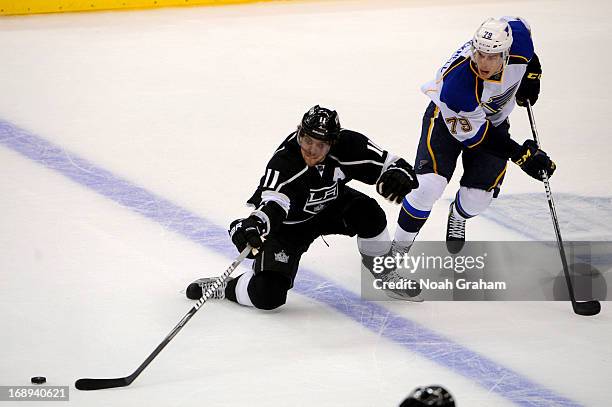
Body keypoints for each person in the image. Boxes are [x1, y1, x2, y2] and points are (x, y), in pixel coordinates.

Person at [186, 105, 420, 309]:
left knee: (370, 214)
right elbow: (274, 204)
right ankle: (227, 287)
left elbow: (393, 164)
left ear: (334, 143)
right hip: (289, 225)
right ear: (299, 132)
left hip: (330, 205)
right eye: (307, 140)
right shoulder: (285, 163)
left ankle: (385, 274)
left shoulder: (349, 146)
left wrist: (399, 174)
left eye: (320, 144)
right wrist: (255, 224)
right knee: (268, 296)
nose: (311, 149)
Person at [393, 17, 556, 255]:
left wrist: (532, 75)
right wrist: (522, 155)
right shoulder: (457, 85)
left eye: (492, 56)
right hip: (447, 120)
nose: (483, 62)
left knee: (477, 200)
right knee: (427, 187)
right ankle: (398, 249)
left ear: (506, 53)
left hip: (493, 121)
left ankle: (457, 215)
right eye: (479, 54)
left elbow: (530, 51)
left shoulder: (518, 37)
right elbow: (480, 139)